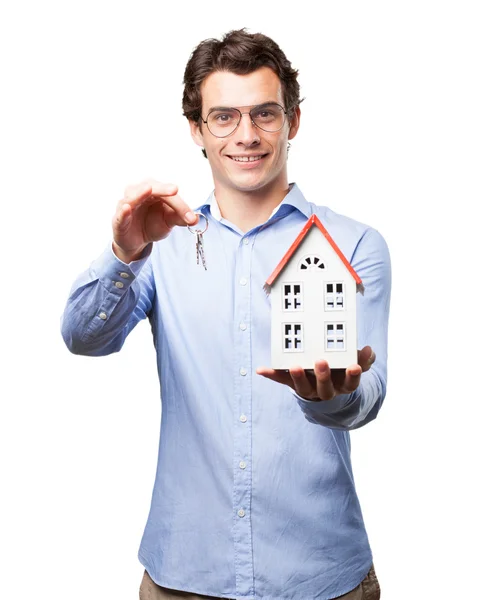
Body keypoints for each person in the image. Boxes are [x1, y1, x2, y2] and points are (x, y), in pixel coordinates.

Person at [61, 28, 390, 600]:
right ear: (197, 129)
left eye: (265, 114)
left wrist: (330, 396)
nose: (247, 135)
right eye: (223, 117)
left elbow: (367, 396)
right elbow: (83, 338)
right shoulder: (158, 242)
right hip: (185, 575)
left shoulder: (352, 244)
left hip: (320, 577)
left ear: (293, 120)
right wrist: (124, 253)